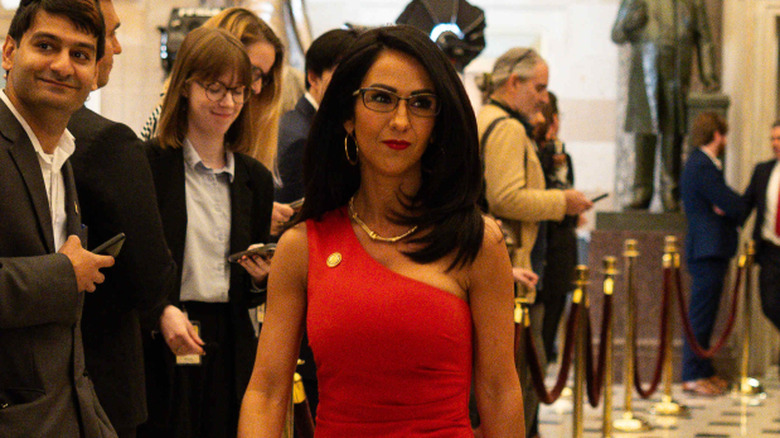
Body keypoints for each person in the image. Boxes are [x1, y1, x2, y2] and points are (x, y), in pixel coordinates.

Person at [238, 25, 524, 437]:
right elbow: (265, 391)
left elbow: (499, 392)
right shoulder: (303, 246)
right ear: (348, 116)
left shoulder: (477, 242)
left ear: (438, 122)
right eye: (382, 99)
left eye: (422, 103)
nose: (401, 121)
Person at [137, 27, 274, 437]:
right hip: (167, 330)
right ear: (184, 86)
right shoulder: (149, 164)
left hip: (229, 339)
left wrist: (260, 277)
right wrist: (160, 310)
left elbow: (251, 289)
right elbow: (136, 261)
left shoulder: (255, 178)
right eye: (214, 88)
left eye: (237, 91)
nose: (227, 102)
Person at [0, 0, 117, 436]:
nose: (62, 66)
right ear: (10, 52)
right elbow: (64, 275)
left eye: (81, 54)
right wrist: (62, 274)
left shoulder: (61, 155)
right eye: (46, 45)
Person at [67, 1, 178, 436]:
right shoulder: (110, 145)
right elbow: (152, 278)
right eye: (107, 34)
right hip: (100, 378)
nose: (116, 47)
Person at [476, 47, 591, 438]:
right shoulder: (505, 127)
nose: (544, 97)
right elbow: (506, 197)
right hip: (511, 270)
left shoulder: (490, 119)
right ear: (514, 83)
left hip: (508, 266)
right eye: (539, 87)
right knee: (521, 379)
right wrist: (564, 202)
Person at [611, 0, 719, 211]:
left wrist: (709, 75)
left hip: (676, 72)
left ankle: (670, 190)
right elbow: (617, 34)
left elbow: (704, 38)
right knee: (644, 132)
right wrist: (630, 21)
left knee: (673, 132)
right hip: (644, 70)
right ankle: (641, 190)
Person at [679, 111, 744, 396]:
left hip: (710, 248)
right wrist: (729, 208)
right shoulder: (702, 165)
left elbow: (725, 204)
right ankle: (692, 374)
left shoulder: (702, 164)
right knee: (701, 315)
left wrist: (725, 208)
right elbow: (732, 203)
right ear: (717, 134)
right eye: (724, 134)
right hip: (707, 249)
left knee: (707, 313)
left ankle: (704, 369)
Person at [275, 28, 360, 205]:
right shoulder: (301, 139)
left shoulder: (312, 123)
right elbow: (293, 216)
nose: (351, 85)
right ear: (313, 78)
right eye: (341, 74)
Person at [534, 91, 578, 362]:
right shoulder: (534, 153)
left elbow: (567, 213)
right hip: (540, 254)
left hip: (559, 256)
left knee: (546, 338)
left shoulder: (562, 156)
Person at [742, 120, 780, 349]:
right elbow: (745, 205)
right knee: (769, 304)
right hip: (770, 250)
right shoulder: (763, 171)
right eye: (773, 139)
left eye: (779, 139)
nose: (775, 144)